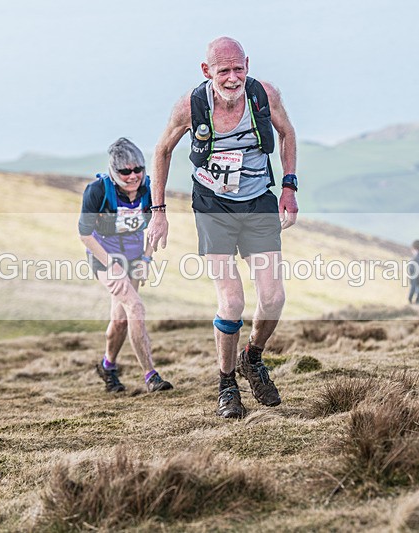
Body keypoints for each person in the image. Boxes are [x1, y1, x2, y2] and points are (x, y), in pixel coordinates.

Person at [147, 37, 299, 418]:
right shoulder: (191, 106)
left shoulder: (264, 95)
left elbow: (288, 133)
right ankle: (227, 384)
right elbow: (161, 151)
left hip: (257, 201)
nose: (232, 79)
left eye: (238, 70)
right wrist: (158, 210)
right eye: (223, 71)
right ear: (206, 71)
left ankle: (253, 357)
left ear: (247, 64)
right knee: (231, 301)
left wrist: (289, 186)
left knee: (274, 297)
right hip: (213, 206)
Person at [78, 138, 173, 394]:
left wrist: (146, 258)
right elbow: (85, 234)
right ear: (113, 171)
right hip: (104, 259)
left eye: (138, 169)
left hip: (135, 258)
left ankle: (107, 366)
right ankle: (151, 375)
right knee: (136, 307)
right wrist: (112, 266)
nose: (133, 176)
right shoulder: (97, 191)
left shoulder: (149, 191)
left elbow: (154, 226)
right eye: (125, 171)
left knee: (120, 321)